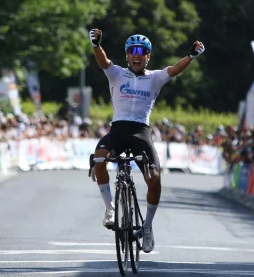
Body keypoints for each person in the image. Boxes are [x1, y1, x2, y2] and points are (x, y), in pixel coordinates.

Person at [88, 28, 205, 253]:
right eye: (133, 51)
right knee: (99, 159)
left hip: (141, 132)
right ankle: (110, 209)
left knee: (155, 179)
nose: (137, 55)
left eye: (142, 52)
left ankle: (148, 227)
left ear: (148, 56)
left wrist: (190, 56)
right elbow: (103, 60)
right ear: (127, 55)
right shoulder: (116, 74)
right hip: (118, 130)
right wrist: (96, 45)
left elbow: (175, 69)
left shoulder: (155, 77)